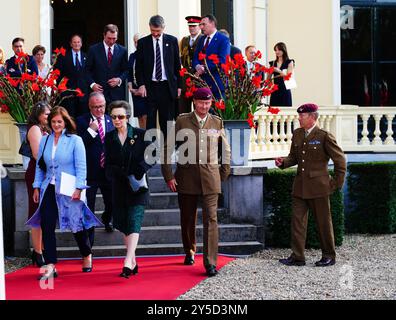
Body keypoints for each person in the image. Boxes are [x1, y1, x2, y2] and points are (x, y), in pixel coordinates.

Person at [26, 107, 103, 280]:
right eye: (53, 121)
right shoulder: (45, 140)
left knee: (76, 225)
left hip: (69, 187)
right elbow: (40, 166)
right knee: (46, 224)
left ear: (66, 122)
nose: (56, 125)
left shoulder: (75, 140)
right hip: (49, 187)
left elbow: (81, 166)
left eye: (59, 121)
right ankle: (51, 264)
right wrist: (36, 186)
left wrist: (79, 188)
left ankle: (86, 253)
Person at [161, 87, 231, 277]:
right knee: (187, 218)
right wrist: (168, 175)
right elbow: (167, 147)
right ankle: (190, 251)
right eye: (201, 103)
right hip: (186, 177)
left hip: (210, 178)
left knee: (211, 219)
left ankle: (210, 262)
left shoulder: (217, 122)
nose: (204, 107)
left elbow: (225, 150)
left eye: (207, 103)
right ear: (194, 102)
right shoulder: (182, 120)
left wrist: (223, 173)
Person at [275, 103, 347, 267]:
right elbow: (293, 157)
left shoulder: (324, 136)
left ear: (312, 117)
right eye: (299, 115)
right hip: (300, 187)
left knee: (323, 223)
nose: (299, 118)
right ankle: (297, 256)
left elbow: (340, 160)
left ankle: (328, 255)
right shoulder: (298, 134)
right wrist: (283, 162)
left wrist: (336, 183)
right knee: (297, 223)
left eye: (303, 115)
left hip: (319, 187)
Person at [104, 100, 153, 278]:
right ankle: (133, 261)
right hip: (119, 186)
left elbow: (152, 156)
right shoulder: (109, 138)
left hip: (138, 186)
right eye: (114, 117)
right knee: (123, 224)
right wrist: (112, 172)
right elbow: (108, 161)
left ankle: (126, 261)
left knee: (134, 221)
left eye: (121, 116)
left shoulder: (141, 134)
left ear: (128, 117)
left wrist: (142, 168)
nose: (117, 120)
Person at [135, 15, 182, 139]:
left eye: (158, 31)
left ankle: (167, 148)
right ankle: (152, 149)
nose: (155, 34)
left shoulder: (172, 41)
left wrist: (179, 86)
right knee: (150, 120)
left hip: (167, 86)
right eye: (152, 31)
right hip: (150, 86)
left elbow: (178, 65)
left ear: (163, 28)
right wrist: (141, 84)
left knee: (166, 120)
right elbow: (138, 67)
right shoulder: (143, 43)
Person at [76, 92, 114, 232]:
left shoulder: (112, 121)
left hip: (108, 171)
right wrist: (91, 131)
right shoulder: (81, 121)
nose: (99, 110)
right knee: (89, 204)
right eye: (95, 107)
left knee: (111, 203)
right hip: (90, 171)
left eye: (102, 106)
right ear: (89, 107)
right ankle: (89, 231)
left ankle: (107, 219)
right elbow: (79, 145)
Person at [25, 102, 51, 267]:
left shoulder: (47, 129)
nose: (49, 116)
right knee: (37, 213)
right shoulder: (35, 129)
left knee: (45, 214)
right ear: (38, 114)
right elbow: (36, 154)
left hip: (48, 173)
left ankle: (41, 248)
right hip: (37, 173)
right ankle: (38, 252)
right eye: (46, 114)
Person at [86, 24, 128, 105]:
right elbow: (86, 71)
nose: (111, 41)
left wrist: (119, 80)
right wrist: (92, 84)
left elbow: (126, 70)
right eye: (109, 38)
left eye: (114, 38)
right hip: (98, 93)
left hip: (116, 94)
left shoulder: (123, 50)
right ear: (104, 35)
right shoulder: (93, 50)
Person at [193, 15, 230, 99]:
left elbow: (222, 60)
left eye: (204, 24)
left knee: (215, 112)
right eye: (200, 24)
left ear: (212, 24)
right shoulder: (201, 39)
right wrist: (197, 66)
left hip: (216, 85)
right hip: (201, 83)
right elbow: (195, 57)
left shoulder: (223, 40)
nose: (201, 27)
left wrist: (204, 68)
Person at [57, 34, 90, 118]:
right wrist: (61, 89)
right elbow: (58, 74)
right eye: (74, 42)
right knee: (69, 116)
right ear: (71, 44)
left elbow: (89, 74)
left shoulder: (86, 56)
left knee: (83, 117)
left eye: (78, 42)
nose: (76, 44)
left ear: (81, 44)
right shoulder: (63, 57)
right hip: (68, 92)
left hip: (83, 93)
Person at [179, 15, 204, 115]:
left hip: (199, 78)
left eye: (194, 26)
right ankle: (185, 130)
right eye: (190, 26)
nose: (191, 28)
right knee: (183, 109)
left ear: (199, 26)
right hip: (186, 78)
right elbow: (182, 57)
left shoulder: (203, 39)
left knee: (199, 108)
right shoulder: (184, 40)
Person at [127, 33, 148, 129]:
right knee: (140, 116)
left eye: (138, 42)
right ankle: (142, 136)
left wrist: (143, 88)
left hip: (146, 91)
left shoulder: (148, 55)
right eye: (135, 42)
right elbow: (129, 73)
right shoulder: (132, 56)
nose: (137, 44)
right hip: (135, 91)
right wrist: (131, 88)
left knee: (146, 116)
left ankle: (148, 139)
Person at [269, 42, 295, 106]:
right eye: (276, 50)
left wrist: (279, 71)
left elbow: (288, 77)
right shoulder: (272, 63)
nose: (277, 52)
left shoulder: (289, 62)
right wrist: (271, 87)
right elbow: (268, 79)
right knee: (273, 113)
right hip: (275, 91)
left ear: (284, 50)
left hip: (285, 90)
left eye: (279, 50)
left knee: (286, 112)